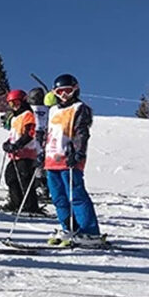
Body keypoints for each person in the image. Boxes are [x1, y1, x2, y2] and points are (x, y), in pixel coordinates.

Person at [44, 74, 103, 246]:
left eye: (67, 91)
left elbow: (81, 133)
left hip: (69, 159)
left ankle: (89, 232)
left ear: (75, 90)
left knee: (75, 196)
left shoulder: (79, 108)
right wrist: (42, 152)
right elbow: (48, 133)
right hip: (51, 160)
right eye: (59, 91)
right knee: (58, 197)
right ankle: (69, 227)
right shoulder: (53, 110)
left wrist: (78, 153)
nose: (63, 95)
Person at [0, 89, 43, 214]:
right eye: (11, 104)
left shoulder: (28, 114)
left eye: (16, 103)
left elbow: (29, 133)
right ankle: (16, 203)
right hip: (16, 154)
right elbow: (14, 134)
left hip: (27, 153)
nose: (14, 106)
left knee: (25, 179)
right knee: (11, 177)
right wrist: (8, 143)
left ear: (23, 101)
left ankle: (31, 206)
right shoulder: (14, 117)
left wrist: (18, 145)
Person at [26, 87, 51, 202]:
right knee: (41, 163)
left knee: (34, 162)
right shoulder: (47, 109)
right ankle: (44, 187)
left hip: (33, 135)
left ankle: (38, 187)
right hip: (45, 135)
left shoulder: (30, 108)